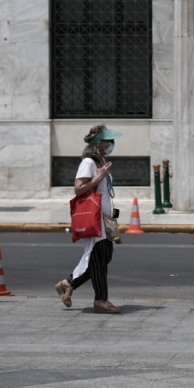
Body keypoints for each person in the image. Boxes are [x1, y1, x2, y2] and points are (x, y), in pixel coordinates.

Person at [55, 125, 122, 314]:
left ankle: (68, 284)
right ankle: (100, 300)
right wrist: (99, 176)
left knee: (103, 257)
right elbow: (78, 188)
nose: (112, 144)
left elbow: (106, 194)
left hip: (104, 218)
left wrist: (113, 219)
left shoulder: (101, 162)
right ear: (99, 143)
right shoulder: (89, 163)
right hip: (94, 218)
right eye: (109, 141)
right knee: (98, 258)